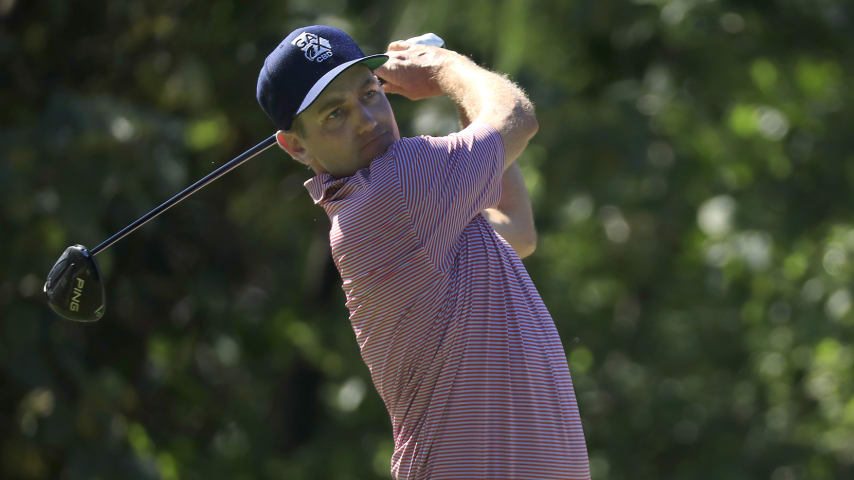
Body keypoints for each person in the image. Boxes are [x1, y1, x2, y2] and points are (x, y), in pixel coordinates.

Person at [257, 25, 590, 479]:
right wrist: (447, 68)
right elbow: (516, 116)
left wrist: (454, 90)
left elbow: (517, 229)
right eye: (335, 114)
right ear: (295, 145)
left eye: (369, 93)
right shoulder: (399, 186)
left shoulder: (416, 211)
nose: (368, 121)